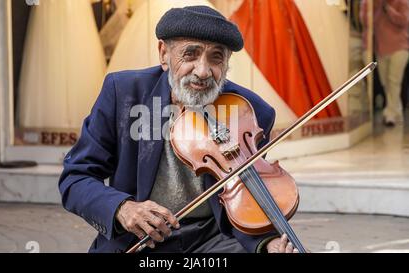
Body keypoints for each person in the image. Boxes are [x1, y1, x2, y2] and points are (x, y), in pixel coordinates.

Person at [58, 5, 298, 253]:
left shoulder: (250, 112)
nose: (203, 71)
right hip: (142, 239)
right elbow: (76, 177)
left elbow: (245, 202)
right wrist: (122, 208)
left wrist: (267, 243)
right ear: (164, 53)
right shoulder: (123, 93)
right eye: (190, 54)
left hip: (215, 240)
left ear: (226, 64)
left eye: (216, 57)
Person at [361, 0, 409, 126]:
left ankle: (390, 114)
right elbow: (367, 23)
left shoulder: (402, 2)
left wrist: (388, 8)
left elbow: (404, 20)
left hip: (400, 47)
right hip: (381, 49)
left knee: (394, 81)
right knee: (385, 83)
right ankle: (396, 111)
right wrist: (378, 7)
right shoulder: (369, 3)